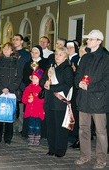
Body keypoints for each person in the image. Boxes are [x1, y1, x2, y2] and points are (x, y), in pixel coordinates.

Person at [74, 29, 109, 169]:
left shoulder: (106, 58)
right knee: (83, 129)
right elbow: (77, 75)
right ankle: (84, 156)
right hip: (84, 99)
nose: (87, 41)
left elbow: (106, 82)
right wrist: (79, 83)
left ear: (99, 41)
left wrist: (90, 87)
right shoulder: (86, 57)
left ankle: (101, 159)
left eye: (91, 39)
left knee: (100, 132)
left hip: (99, 100)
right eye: (88, 39)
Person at [40, 46, 74, 157]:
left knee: (60, 128)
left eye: (60, 55)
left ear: (65, 56)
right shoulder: (51, 68)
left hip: (60, 102)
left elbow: (67, 84)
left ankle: (60, 149)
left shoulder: (67, 69)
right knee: (50, 127)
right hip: (49, 101)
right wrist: (44, 82)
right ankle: (52, 148)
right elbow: (42, 79)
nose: (57, 57)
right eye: (56, 54)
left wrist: (52, 88)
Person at [0, 42, 22, 144]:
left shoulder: (16, 62)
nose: (6, 50)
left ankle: (8, 138)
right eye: (4, 49)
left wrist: (10, 88)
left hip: (11, 91)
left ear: (12, 50)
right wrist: (2, 88)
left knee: (9, 115)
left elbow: (19, 78)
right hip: (0, 91)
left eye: (8, 49)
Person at [12, 34, 31, 134]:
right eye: (14, 39)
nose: (15, 41)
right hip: (12, 82)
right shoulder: (11, 53)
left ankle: (21, 127)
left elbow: (27, 68)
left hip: (22, 82)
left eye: (17, 39)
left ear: (22, 41)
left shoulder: (26, 54)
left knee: (22, 106)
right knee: (12, 105)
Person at [22, 69, 45, 146]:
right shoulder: (28, 88)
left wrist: (34, 100)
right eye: (33, 78)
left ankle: (37, 139)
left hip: (38, 111)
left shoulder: (41, 89)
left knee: (38, 126)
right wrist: (28, 100)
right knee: (31, 125)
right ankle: (31, 139)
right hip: (30, 111)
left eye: (36, 78)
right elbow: (23, 99)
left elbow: (43, 100)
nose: (34, 80)